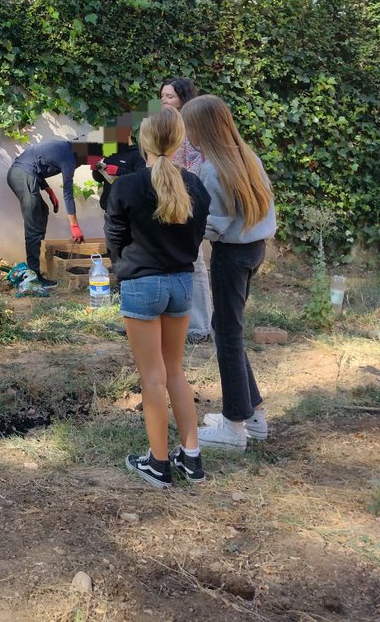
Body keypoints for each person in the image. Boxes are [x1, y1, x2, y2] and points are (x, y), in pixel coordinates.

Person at [105, 107, 211, 488]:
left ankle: (159, 463)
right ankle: (192, 459)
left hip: (142, 285)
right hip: (182, 283)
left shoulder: (125, 186)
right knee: (175, 371)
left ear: (143, 141)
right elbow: (197, 237)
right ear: (180, 140)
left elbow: (114, 239)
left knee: (152, 377)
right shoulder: (195, 186)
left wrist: (126, 267)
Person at [181, 95, 277, 450]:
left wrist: (181, 231)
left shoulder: (211, 170)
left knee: (227, 337)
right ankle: (253, 415)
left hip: (231, 256)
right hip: (254, 249)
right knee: (227, 329)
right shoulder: (247, 157)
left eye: (189, 126)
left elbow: (212, 224)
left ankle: (233, 427)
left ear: (202, 128)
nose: (186, 133)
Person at [160, 77, 213, 344]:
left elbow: (197, 166)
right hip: (171, 198)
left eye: (169, 96)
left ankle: (201, 325)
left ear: (183, 99)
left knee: (195, 262)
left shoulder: (194, 128)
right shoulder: (168, 124)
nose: (164, 100)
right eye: (162, 96)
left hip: (190, 199)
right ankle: (174, 321)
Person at [7, 140, 95, 287]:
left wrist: (49, 191)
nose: (81, 166)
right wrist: (74, 226)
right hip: (22, 176)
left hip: (24, 174)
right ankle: (34, 276)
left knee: (42, 211)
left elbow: (36, 164)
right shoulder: (69, 158)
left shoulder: (67, 148)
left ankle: (35, 262)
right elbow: (68, 193)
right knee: (34, 224)